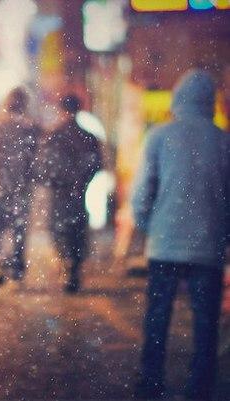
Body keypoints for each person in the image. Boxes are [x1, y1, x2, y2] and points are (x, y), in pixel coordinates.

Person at [131, 70, 230, 400]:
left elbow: (144, 188)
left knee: (158, 318)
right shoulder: (223, 141)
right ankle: (200, 386)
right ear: (209, 101)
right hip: (208, 248)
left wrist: (149, 225)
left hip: (165, 244)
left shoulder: (161, 136)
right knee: (206, 323)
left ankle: (151, 382)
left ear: (177, 98)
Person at [39, 95, 102, 293]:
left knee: (58, 231)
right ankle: (73, 267)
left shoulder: (53, 135)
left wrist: (55, 181)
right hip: (79, 193)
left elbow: (43, 167)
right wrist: (81, 182)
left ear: (61, 110)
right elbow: (96, 163)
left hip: (59, 194)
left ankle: (66, 264)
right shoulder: (88, 137)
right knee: (77, 232)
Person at [0, 87, 42, 282]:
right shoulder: (31, 130)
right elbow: (36, 162)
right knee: (19, 229)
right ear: (24, 106)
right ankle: (15, 264)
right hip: (21, 190)